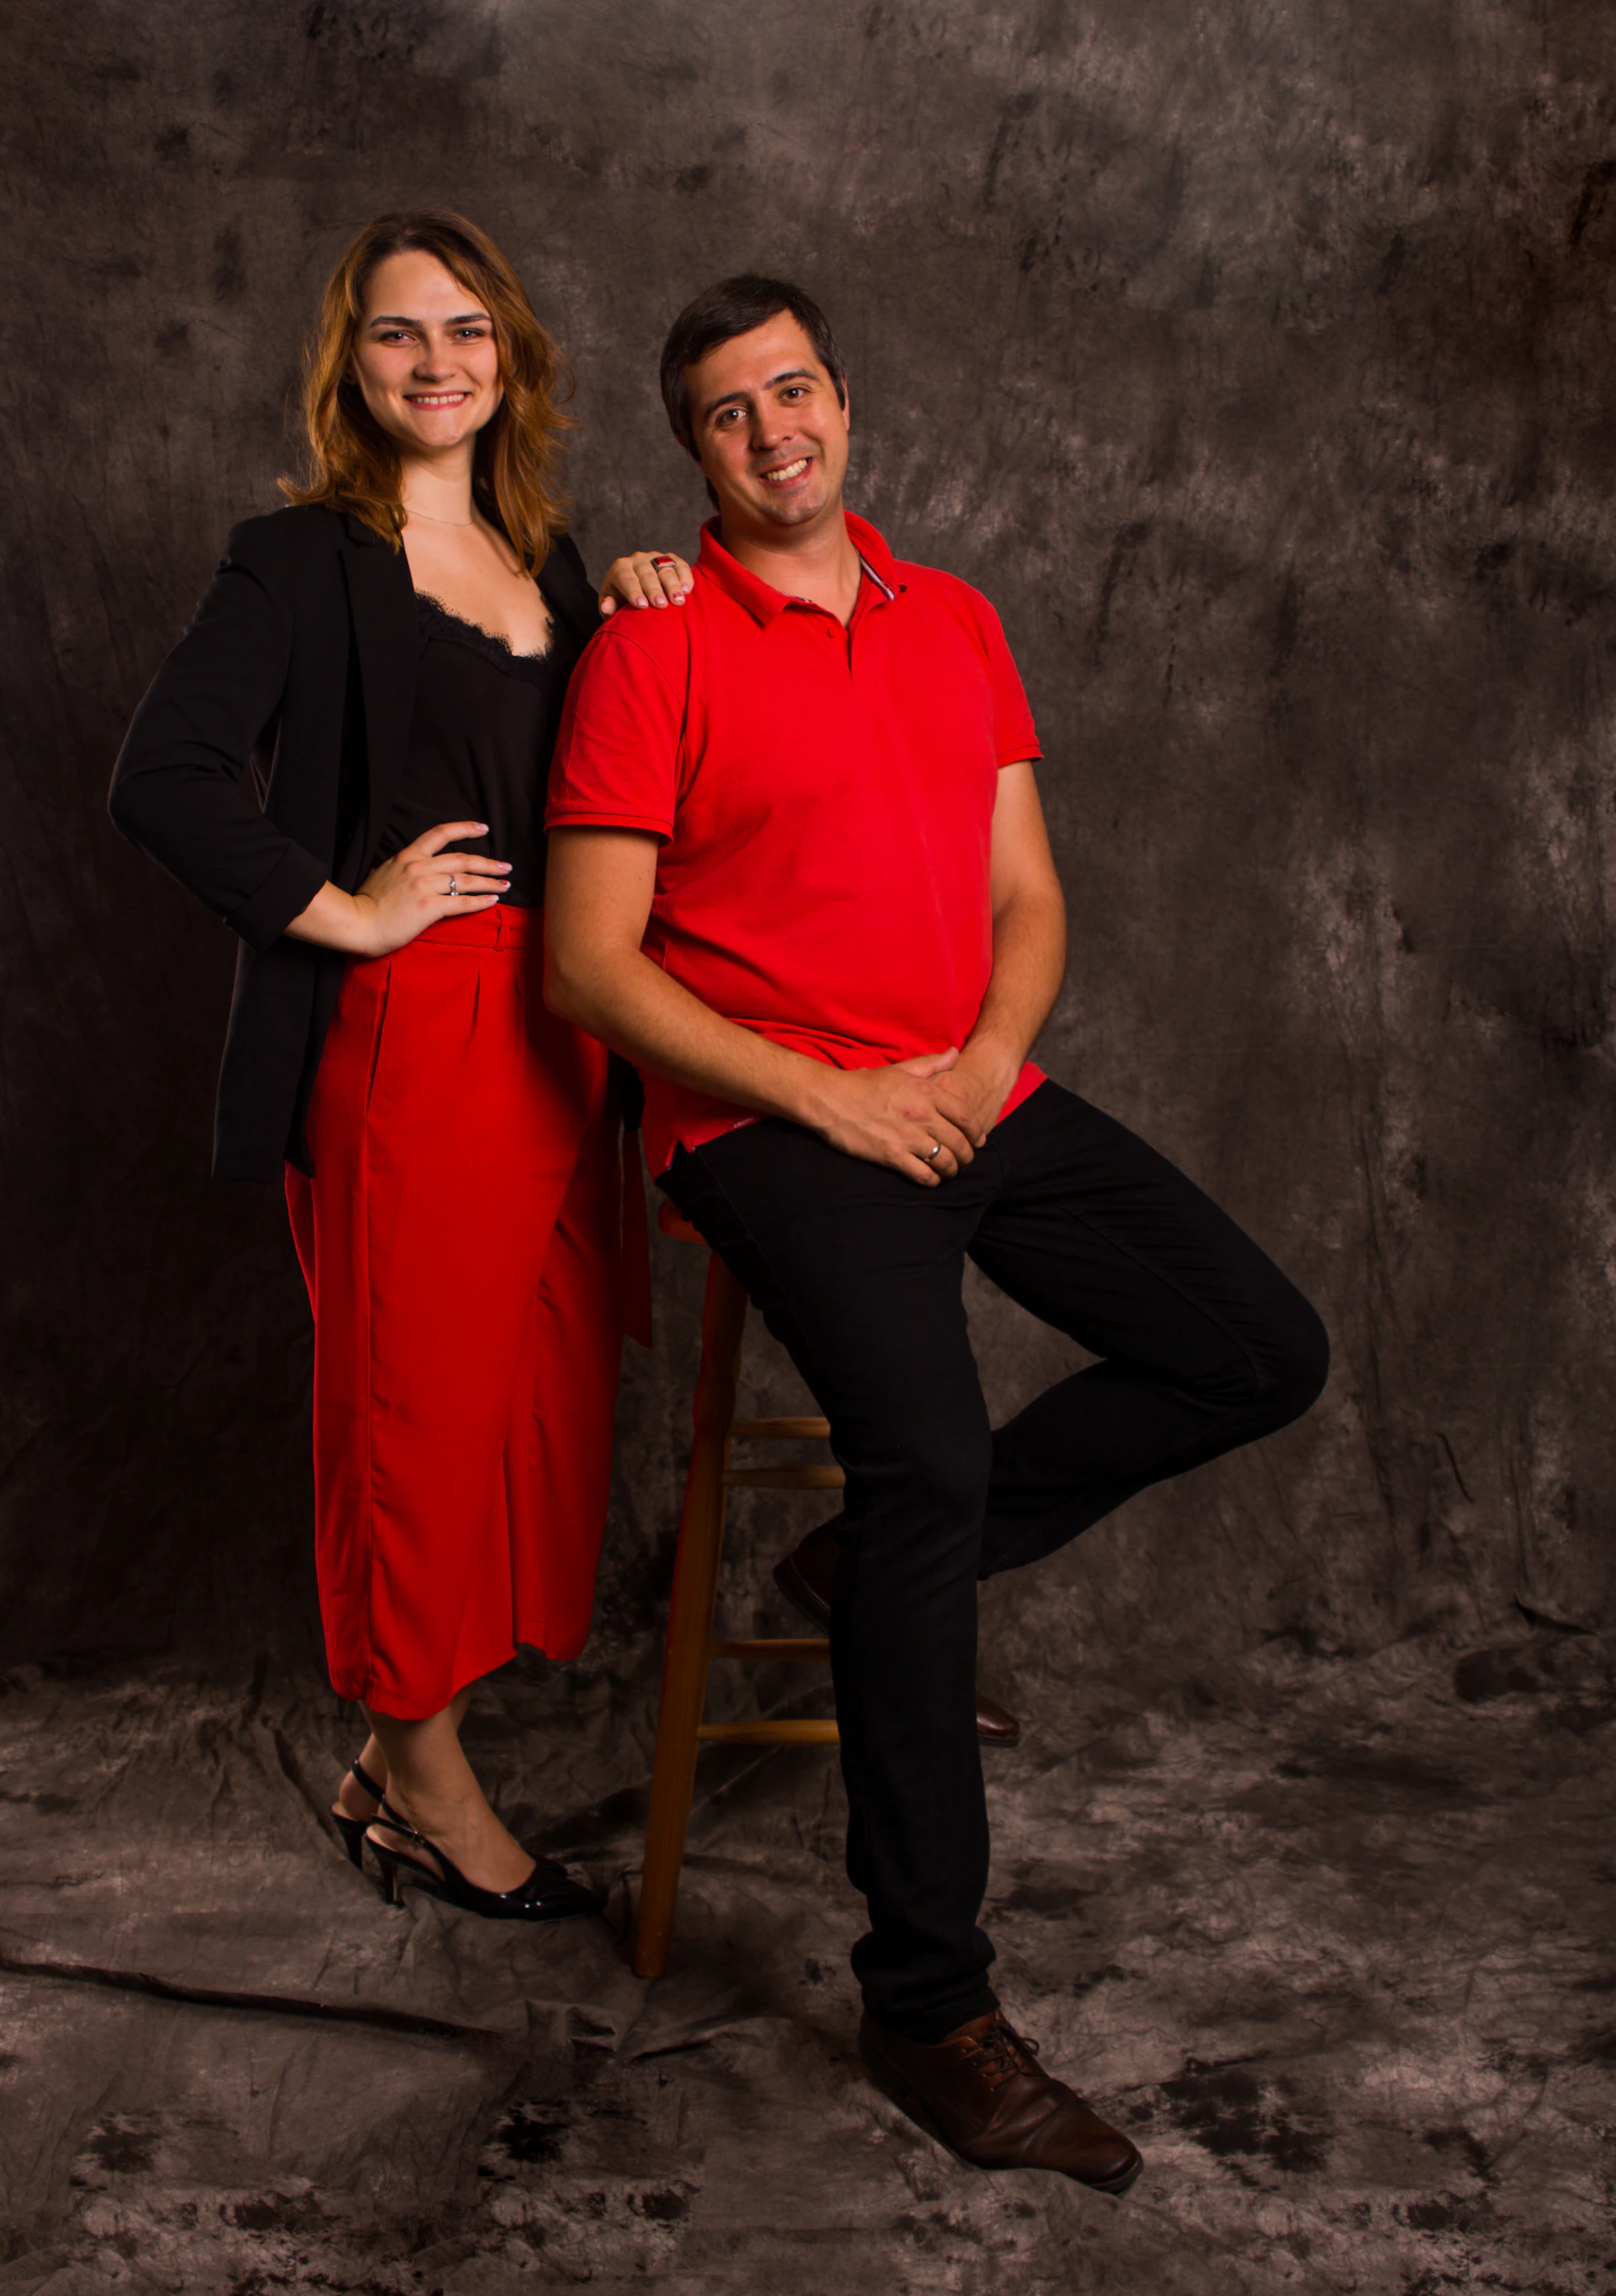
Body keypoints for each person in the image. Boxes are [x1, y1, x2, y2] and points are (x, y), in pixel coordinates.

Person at [542, 276, 1329, 2184]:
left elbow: (1030, 895)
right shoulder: (652, 647)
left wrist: (980, 1064)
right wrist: (835, 1097)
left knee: (1257, 1348)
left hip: (966, 1080)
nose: (775, 430)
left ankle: (891, 1564)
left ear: (842, 402)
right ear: (697, 454)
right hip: (769, 1115)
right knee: (927, 1453)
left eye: (795, 390)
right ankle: (930, 2005)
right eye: (730, 414)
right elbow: (584, 964)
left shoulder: (957, 617)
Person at [109, 209, 694, 1924]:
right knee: (415, 1415)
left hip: (562, 1028)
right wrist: (345, 915)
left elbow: (608, 770)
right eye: (395, 336)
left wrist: (655, 601)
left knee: (541, 1397)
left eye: (464, 333)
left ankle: (396, 1749)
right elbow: (165, 774)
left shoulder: (558, 557)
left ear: (508, 353)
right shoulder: (298, 559)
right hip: (411, 1028)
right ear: (347, 365)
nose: (435, 365)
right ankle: (429, 1779)